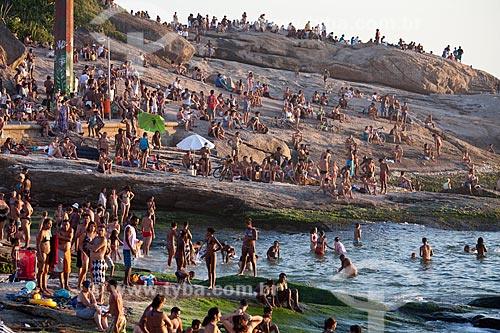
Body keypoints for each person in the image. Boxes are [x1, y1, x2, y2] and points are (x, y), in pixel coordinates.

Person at [55, 219, 73, 290]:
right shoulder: (59, 230)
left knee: (67, 268)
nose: (66, 226)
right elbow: (57, 237)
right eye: (64, 225)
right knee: (60, 268)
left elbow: (69, 239)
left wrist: (62, 238)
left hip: (67, 251)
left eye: (67, 225)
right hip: (60, 250)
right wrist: (64, 238)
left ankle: (66, 284)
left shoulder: (71, 230)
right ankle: (62, 284)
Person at [36, 218, 52, 294]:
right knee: (41, 270)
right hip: (42, 252)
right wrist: (39, 254)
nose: (50, 225)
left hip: (48, 252)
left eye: (51, 224)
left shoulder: (48, 232)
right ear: (45, 224)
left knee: (46, 271)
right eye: (49, 224)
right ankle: (40, 286)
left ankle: (45, 286)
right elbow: (38, 244)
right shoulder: (42, 232)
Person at [123, 216, 139, 286]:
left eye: (137, 222)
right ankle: (125, 281)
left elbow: (132, 239)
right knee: (128, 266)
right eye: (136, 221)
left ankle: (128, 280)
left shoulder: (133, 228)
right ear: (132, 220)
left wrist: (137, 242)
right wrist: (132, 249)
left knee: (130, 266)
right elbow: (127, 239)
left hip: (131, 248)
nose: (136, 223)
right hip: (127, 249)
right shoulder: (128, 227)